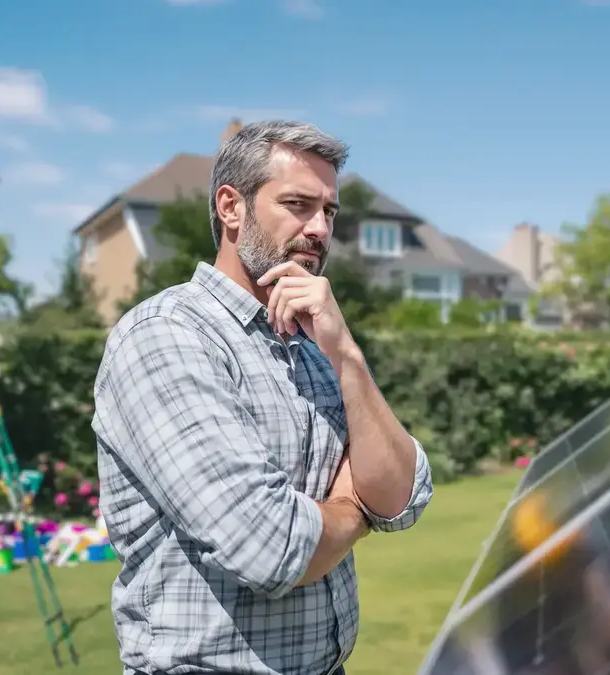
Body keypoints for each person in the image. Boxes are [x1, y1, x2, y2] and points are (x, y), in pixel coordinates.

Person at [92, 120, 434, 675]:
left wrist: (347, 354)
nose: (319, 228)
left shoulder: (318, 345)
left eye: (329, 211)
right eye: (298, 204)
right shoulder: (166, 336)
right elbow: (271, 547)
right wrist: (355, 506)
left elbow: (404, 496)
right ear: (231, 207)